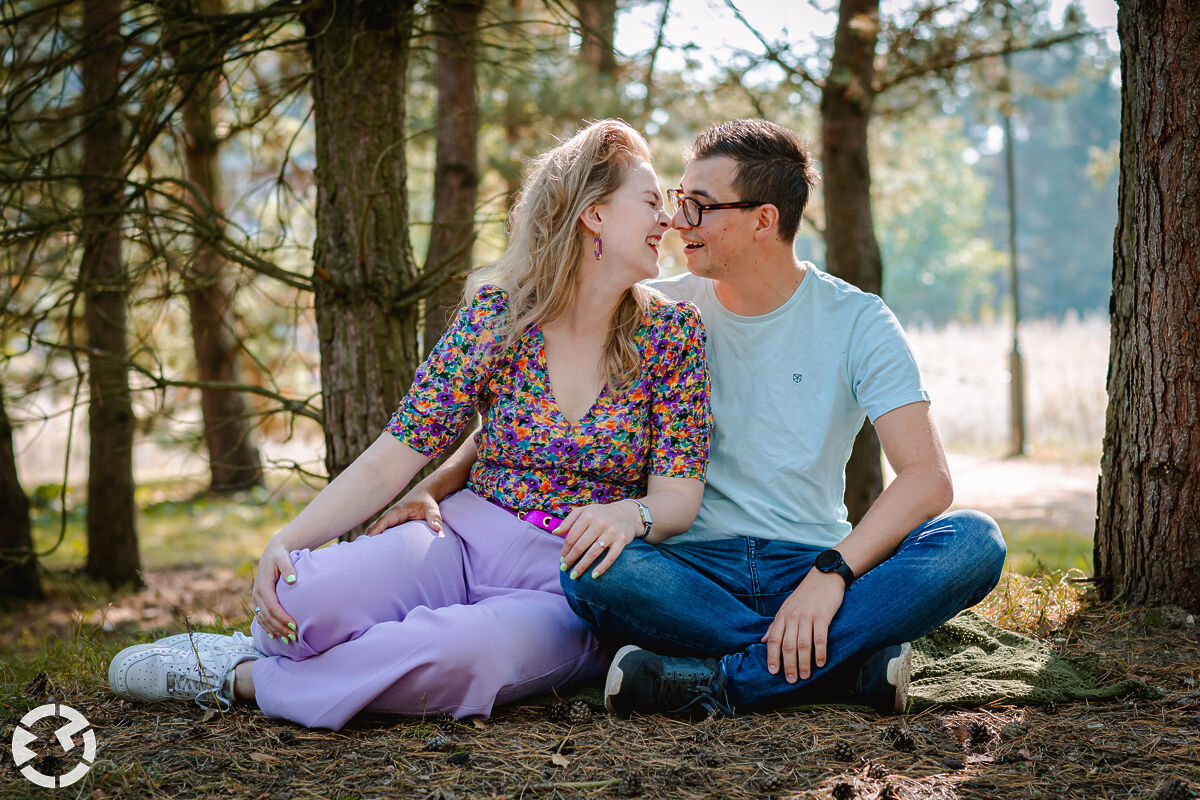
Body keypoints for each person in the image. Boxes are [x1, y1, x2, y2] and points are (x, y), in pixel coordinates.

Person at [106, 119, 712, 730]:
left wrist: (627, 515)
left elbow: (678, 497)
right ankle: (284, 650)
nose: (670, 219)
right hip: (464, 537)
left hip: (572, 580)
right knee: (300, 599)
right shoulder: (499, 316)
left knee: (461, 654)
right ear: (594, 215)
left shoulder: (673, 335)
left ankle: (242, 678)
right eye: (652, 200)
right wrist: (287, 539)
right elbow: (400, 448)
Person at [403, 119, 1007, 719]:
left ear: (763, 220)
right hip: (684, 572)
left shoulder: (858, 320)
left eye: (699, 206)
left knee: (974, 542)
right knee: (587, 567)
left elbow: (927, 478)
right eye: (676, 200)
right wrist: (434, 485)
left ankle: (720, 681)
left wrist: (831, 574)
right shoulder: (655, 310)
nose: (675, 221)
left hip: (811, 557)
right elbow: (536, 411)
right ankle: (839, 666)